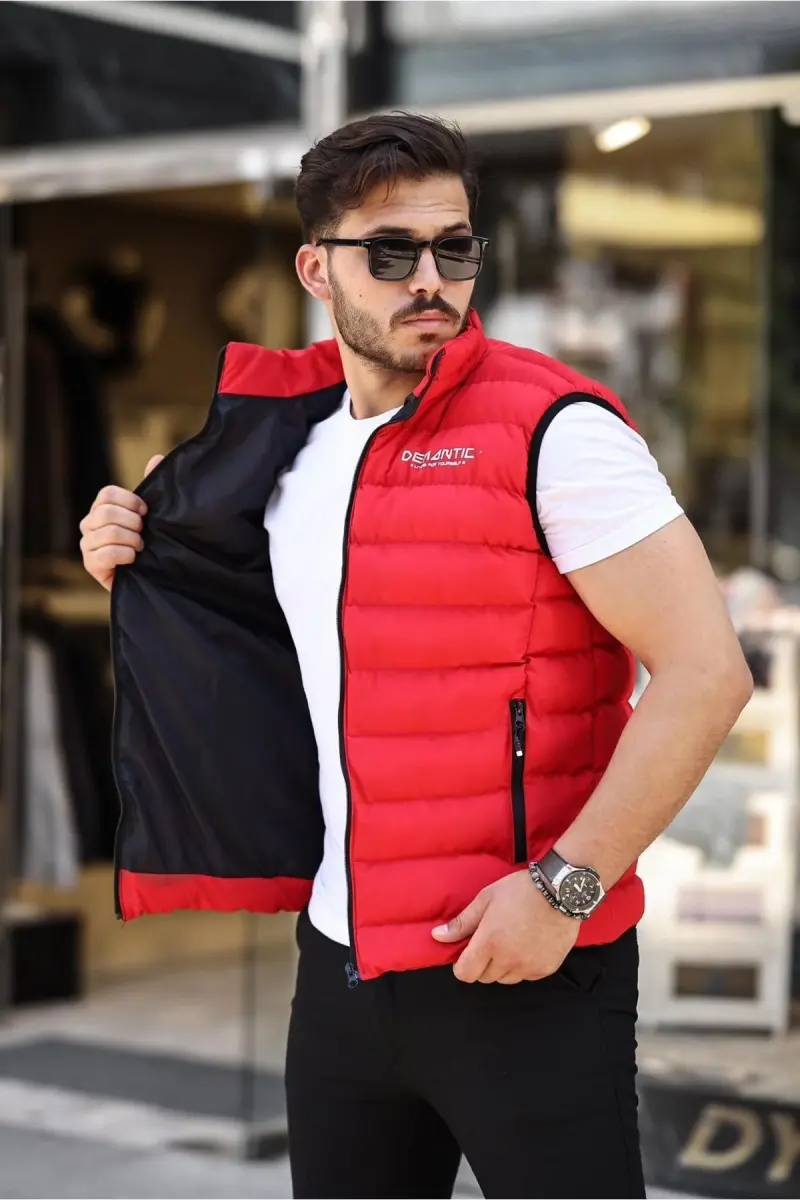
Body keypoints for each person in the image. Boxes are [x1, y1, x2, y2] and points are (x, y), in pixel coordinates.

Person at [79, 113, 752, 1200]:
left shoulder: (558, 430)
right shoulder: (286, 447)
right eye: (389, 252)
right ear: (316, 269)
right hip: (339, 971)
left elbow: (706, 672)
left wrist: (564, 891)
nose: (430, 279)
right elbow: (287, 646)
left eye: (454, 247)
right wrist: (133, 558)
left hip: (524, 966)